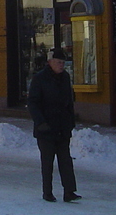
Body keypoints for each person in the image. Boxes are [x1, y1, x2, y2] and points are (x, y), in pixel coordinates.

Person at [28, 46, 80, 203]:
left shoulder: (65, 78)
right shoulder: (39, 79)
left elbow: (69, 101)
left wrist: (70, 121)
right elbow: (33, 103)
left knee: (65, 160)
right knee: (47, 162)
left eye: (63, 62)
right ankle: (47, 192)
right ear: (50, 62)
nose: (61, 65)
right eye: (58, 62)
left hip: (62, 126)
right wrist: (41, 123)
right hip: (46, 128)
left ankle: (69, 191)